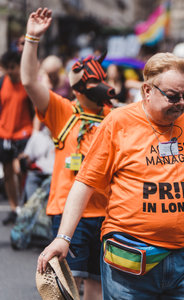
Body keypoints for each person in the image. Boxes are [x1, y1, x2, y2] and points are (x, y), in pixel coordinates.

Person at [36, 38, 184, 300]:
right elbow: (85, 183)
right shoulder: (118, 122)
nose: (182, 102)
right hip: (129, 257)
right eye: (173, 96)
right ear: (147, 90)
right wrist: (63, 237)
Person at [21, 8, 116, 300]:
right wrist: (32, 39)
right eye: (91, 82)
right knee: (67, 283)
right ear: (78, 88)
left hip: (107, 213)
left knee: (98, 286)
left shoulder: (115, 116)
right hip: (67, 212)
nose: (99, 87)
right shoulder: (63, 111)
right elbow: (29, 82)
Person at [0, 50, 34, 225]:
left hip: (24, 133)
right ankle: (14, 208)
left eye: (12, 68)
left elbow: (34, 110)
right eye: (7, 68)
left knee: (21, 171)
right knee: (7, 174)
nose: (10, 71)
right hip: (4, 134)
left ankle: (25, 206)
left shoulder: (27, 84)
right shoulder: (1, 83)